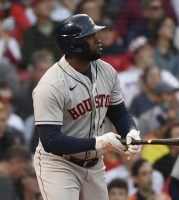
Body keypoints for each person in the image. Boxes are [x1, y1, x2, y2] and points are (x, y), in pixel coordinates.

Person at [32, 14, 141, 200]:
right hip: (59, 164)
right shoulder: (50, 86)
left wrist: (130, 131)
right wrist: (99, 142)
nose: (98, 40)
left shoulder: (107, 71)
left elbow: (119, 112)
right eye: (91, 36)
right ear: (75, 45)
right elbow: (51, 141)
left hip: (95, 164)